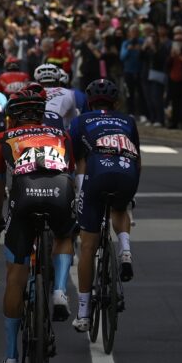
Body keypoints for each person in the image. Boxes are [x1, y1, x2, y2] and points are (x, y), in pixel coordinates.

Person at [0, 85, 76, 363]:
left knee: (16, 275)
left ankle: (11, 357)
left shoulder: (3, 138)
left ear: (12, 117)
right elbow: (70, 173)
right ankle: (60, 291)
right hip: (59, 191)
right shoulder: (62, 135)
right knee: (64, 236)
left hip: (24, 197)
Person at [69, 79, 140, 332]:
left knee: (88, 246)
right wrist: (132, 193)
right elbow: (138, 159)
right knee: (120, 208)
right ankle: (125, 250)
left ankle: (84, 313)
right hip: (127, 174)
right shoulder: (128, 121)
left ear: (89, 102)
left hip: (97, 177)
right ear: (116, 103)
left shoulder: (80, 121)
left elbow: (74, 159)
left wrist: (77, 192)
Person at [34, 63, 78, 130]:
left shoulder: (29, 92)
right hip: (60, 132)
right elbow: (73, 119)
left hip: (34, 131)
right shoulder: (69, 93)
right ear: (58, 79)